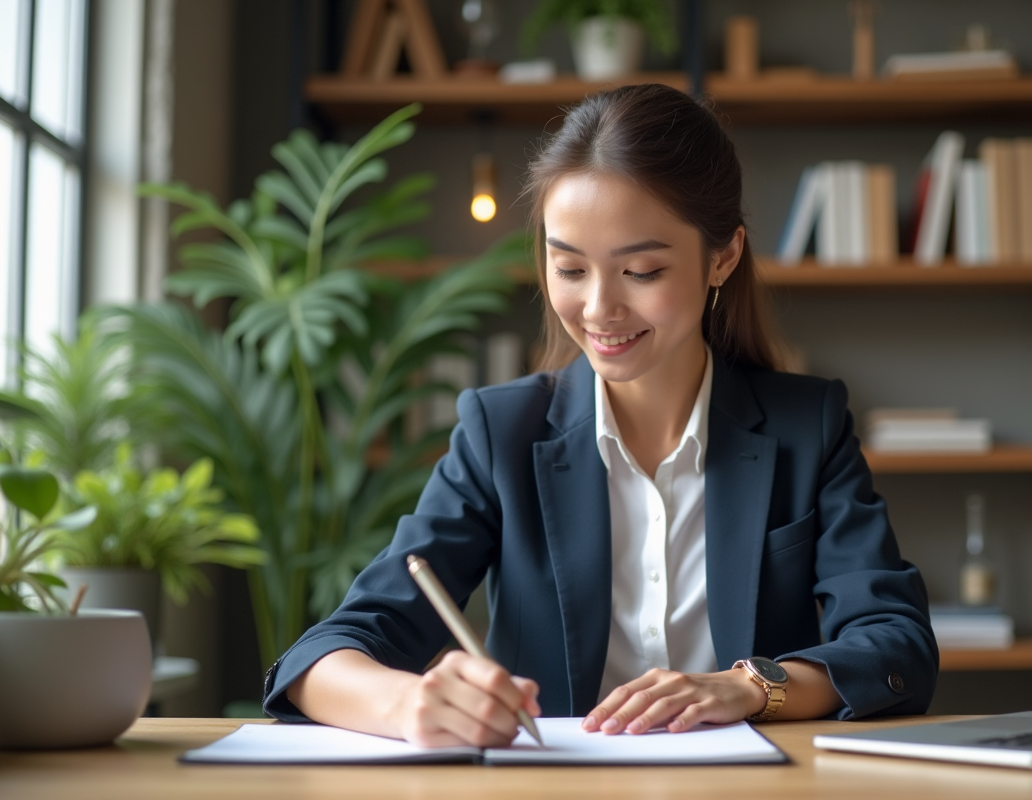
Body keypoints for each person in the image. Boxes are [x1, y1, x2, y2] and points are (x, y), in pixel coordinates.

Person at [263, 83, 937, 748]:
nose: (598, 310)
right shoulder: (502, 433)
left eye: (641, 271)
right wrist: (411, 703)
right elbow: (323, 655)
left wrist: (750, 686)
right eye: (570, 268)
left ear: (722, 257)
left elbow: (896, 645)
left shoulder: (807, 426)